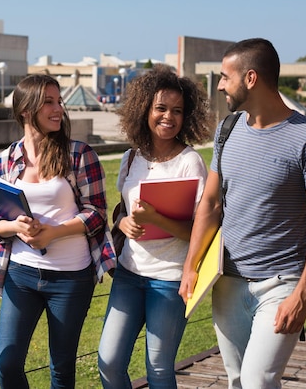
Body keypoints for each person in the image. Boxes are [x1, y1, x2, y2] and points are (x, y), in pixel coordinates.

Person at [178, 38, 306, 389]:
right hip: (227, 283)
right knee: (238, 380)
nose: (220, 84)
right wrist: (191, 265)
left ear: (250, 78)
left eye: (225, 76)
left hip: (281, 285)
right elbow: (210, 204)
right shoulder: (228, 130)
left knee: (258, 380)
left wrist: (303, 293)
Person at [0, 74, 117, 388]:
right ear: (26, 110)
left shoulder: (80, 154)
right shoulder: (4, 161)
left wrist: (53, 232)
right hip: (21, 274)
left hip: (71, 277)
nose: (58, 109)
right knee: (7, 362)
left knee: (61, 368)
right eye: (49, 102)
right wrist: (16, 226)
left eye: (59, 102)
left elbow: (96, 214)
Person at [98, 65, 213, 388]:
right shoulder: (130, 158)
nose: (168, 117)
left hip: (169, 279)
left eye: (177, 111)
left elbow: (199, 232)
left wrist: (156, 219)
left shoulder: (191, 162)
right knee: (109, 362)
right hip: (128, 274)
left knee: (159, 369)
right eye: (160, 108)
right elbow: (121, 211)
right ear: (144, 110)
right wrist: (122, 221)